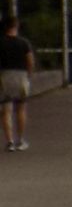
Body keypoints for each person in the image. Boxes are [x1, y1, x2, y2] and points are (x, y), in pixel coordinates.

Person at [2, 16, 34, 152]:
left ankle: (9, 141)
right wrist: (29, 75)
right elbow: (30, 61)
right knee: (21, 108)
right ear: (16, 26)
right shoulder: (24, 42)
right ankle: (20, 140)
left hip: (4, 76)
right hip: (21, 75)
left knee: (6, 110)